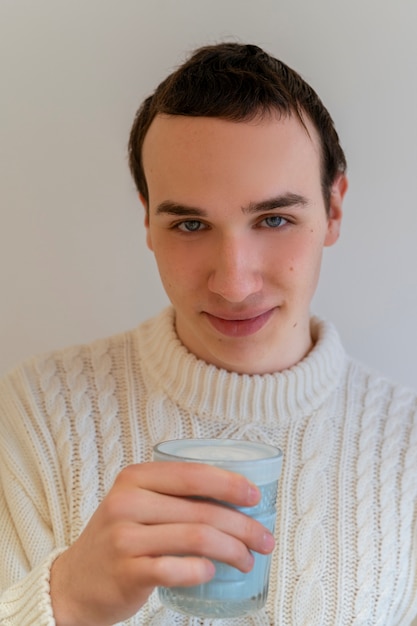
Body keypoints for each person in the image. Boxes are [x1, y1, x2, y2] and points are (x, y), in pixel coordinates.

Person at [1, 42, 416, 626]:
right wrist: (68, 597)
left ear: (334, 208)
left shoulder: (406, 449)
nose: (234, 283)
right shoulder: (37, 414)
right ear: (147, 220)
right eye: (190, 224)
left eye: (274, 219)